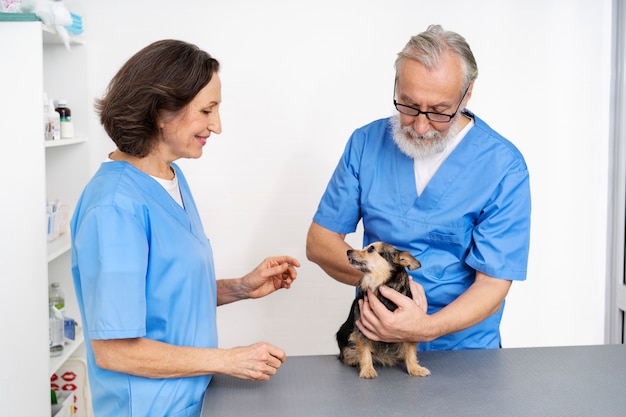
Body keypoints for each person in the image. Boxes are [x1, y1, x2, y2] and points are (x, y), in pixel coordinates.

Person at [70, 39, 300, 417]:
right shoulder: (114, 208)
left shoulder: (170, 178)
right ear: (161, 111)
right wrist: (229, 360)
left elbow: (162, 295)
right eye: (207, 110)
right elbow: (114, 349)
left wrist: (239, 287)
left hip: (194, 400)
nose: (218, 126)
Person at [306, 24, 531, 352]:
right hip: (377, 339)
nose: (421, 126)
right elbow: (320, 242)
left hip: (462, 351)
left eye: (439, 112)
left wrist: (426, 327)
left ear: (467, 94)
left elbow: (493, 283)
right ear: (397, 85)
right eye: (409, 106)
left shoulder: (503, 167)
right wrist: (391, 283)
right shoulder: (365, 144)